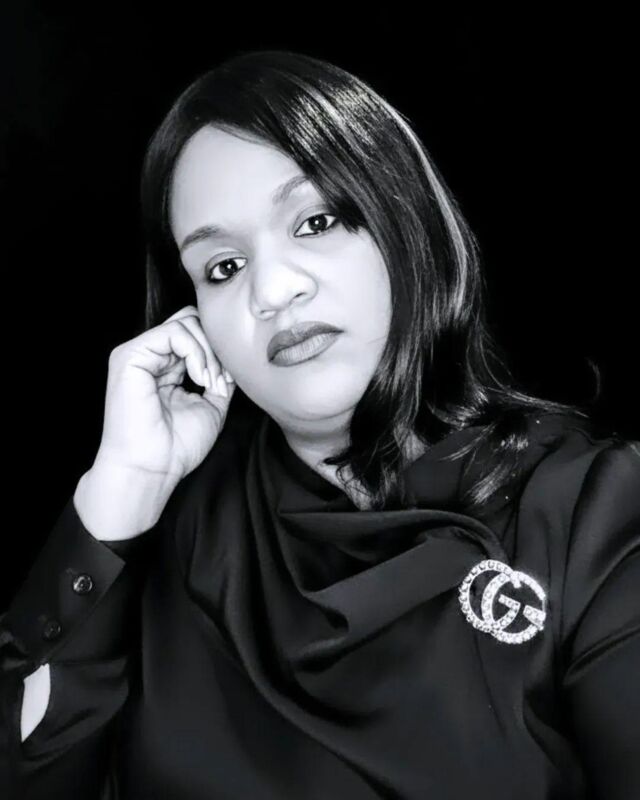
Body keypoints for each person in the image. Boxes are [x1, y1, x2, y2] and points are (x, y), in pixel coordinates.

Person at [1, 49, 638, 800]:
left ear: (402, 221)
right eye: (223, 267)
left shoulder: (589, 512)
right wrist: (123, 489)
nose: (272, 290)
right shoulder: (171, 530)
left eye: (316, 221)